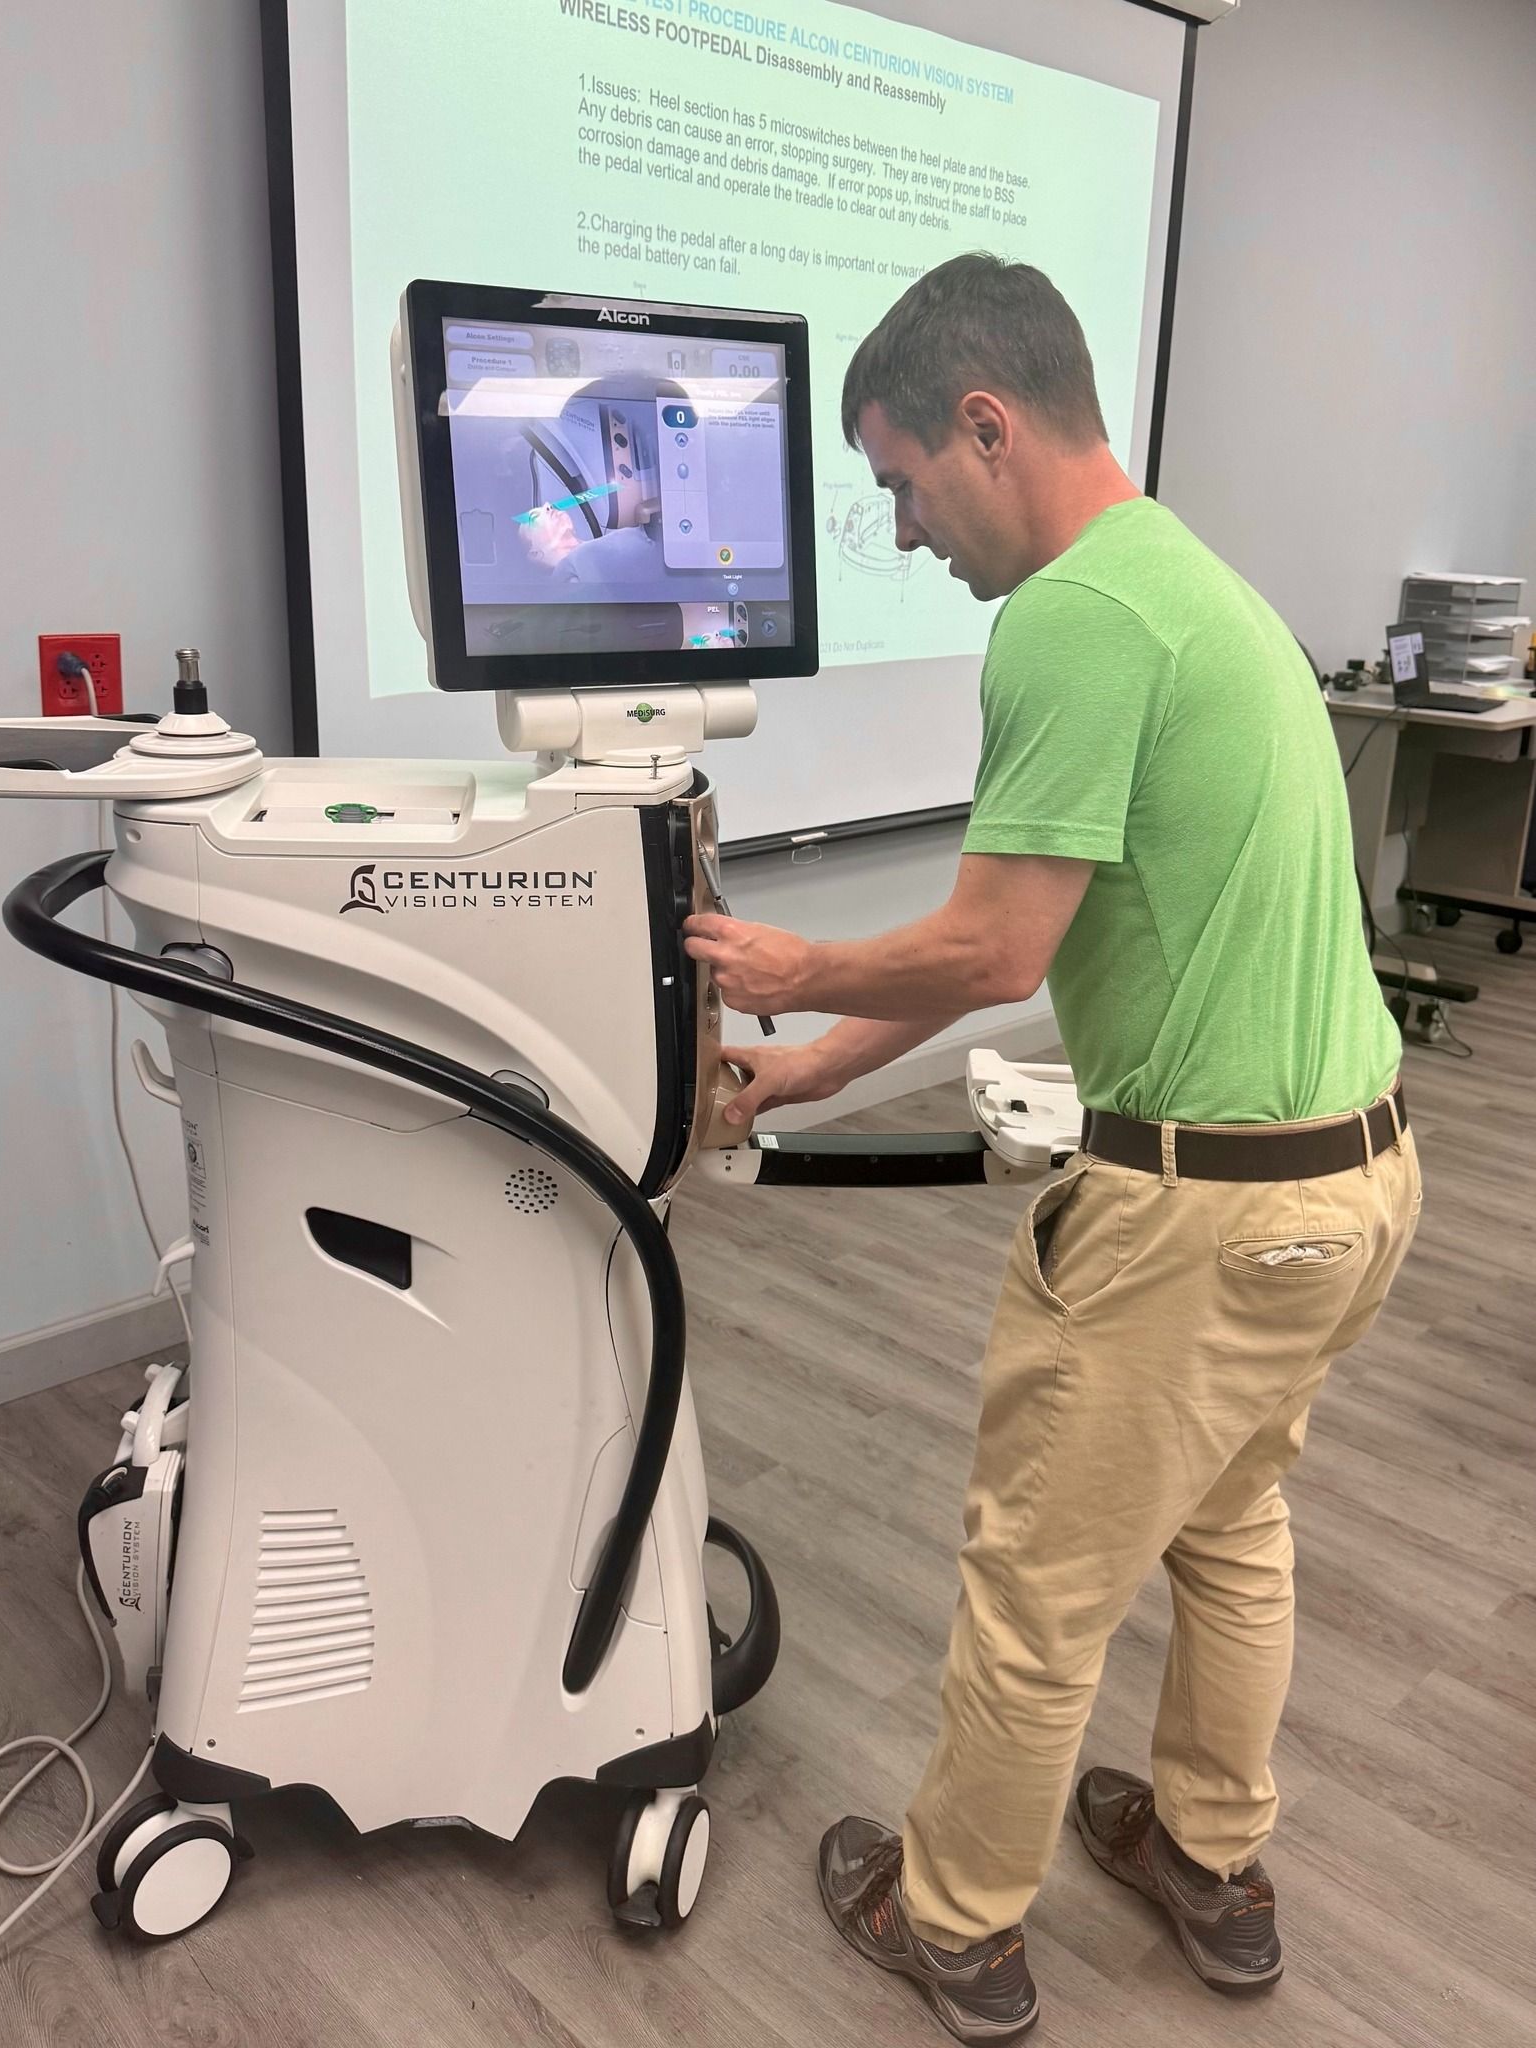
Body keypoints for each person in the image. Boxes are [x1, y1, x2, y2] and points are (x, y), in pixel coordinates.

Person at [682, 252, 1420, 2044]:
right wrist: (808, 1066)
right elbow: (1038, 941)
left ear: (985, 425)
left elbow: (992, 950)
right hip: (1356, 1183)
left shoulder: (1075, 616)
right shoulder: (1200, 590)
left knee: (1036, 1589)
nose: (903, 526)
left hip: (1199, 1219)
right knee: (1233, 1524)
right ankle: (1208, 1853)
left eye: (900, 480)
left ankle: (951, 1919)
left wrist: (788, 962)